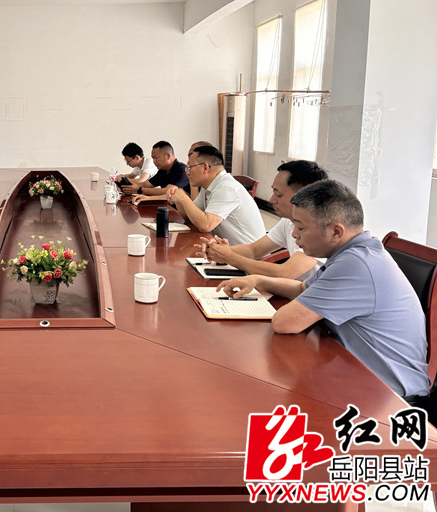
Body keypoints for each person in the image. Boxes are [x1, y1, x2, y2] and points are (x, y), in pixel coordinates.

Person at [217, 179, 429, 401]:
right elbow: (302, 288)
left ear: (336, 231)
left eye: (300, 227)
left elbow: (285, 322)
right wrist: (257, 280)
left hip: (387, 395)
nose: (294, 235)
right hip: (354, 372)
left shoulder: (356, 264)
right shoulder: (355, 252)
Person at [195, 160, 328, 280]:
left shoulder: (320, 230)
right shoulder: (288, 221)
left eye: (278, 194)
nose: (271, 200)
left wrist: (230, 257)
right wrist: (219, 250)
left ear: (303, 196)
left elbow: (284, 273)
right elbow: (254, 249)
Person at [137, 145, 264, 245]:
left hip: (246, 258)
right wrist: (178, 198)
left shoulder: (226, 187)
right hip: (224, 250)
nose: (187, 172)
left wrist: (183, 198)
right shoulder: (209, 186)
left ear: (205, 167)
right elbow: (190, 217)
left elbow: (205, 225)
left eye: (190, 167)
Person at [121, 141, 188, 196]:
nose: (154, 162)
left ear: (167, 156)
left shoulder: (182, 170)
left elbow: (168, 190)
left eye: (156, 158)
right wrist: (126, 185)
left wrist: (139, 190)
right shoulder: (162, 170)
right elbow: (146, 184)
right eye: (153, 158)